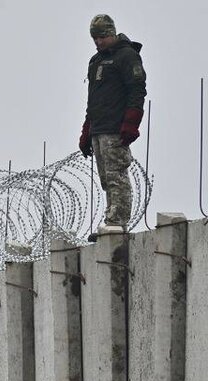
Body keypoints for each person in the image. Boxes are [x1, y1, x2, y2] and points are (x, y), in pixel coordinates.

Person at [78, 13, 146, 241]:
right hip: (99, 126)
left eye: (102, 37)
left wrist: (131, 122)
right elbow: (93, 100)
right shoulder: (95, 61)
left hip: (116, 127)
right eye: (95, 38)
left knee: (117, 174)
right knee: (106, 178)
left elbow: (137, 90)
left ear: (112, 33)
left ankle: (118, 221)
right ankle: (110, 218)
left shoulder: (127, 56)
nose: (98, 42)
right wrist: (87, 129)